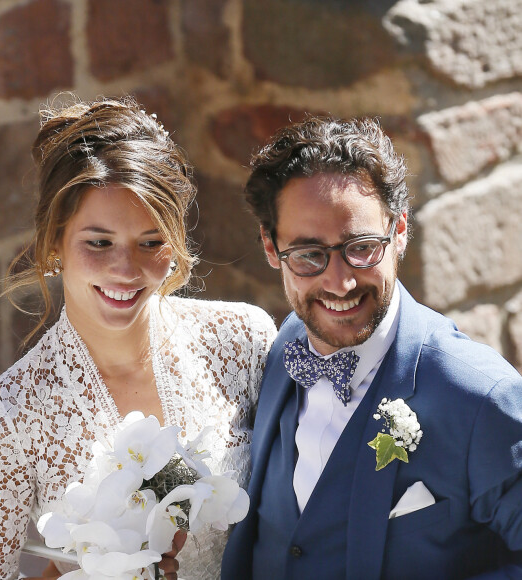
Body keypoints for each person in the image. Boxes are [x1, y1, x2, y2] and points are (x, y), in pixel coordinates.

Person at [0, 96, 277, 580]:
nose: (125, 270)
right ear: (55, 243)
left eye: (151, 242)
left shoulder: (242, 340)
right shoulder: (8, 417)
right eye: (98, 242)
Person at [221, 115, 522, 579]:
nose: (339, 282)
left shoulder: (482, 397)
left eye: (360, 247)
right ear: (269, 245)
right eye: (307, 255)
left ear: (399, 229)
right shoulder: (282, 349)